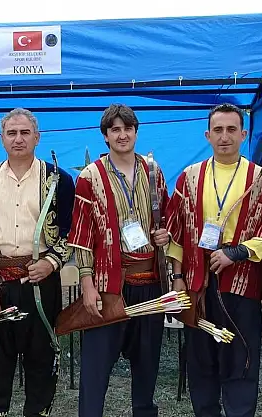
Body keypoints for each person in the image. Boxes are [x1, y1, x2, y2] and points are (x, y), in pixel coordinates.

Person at [165, 103, 262, 417]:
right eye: (218, 130)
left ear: (244, 134)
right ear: (207, 135)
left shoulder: (261, 179)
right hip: (197, 284)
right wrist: (178, 278)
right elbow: (176, 231)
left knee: (240, 358)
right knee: (200, 360)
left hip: (242, 285)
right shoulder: (189, 177)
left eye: (232, 129)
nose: (224, 136)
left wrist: (238, 252)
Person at [0, 108, 74, 417]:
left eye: (25, 132)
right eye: (11, 133)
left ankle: (37, 411)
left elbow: (71, 230)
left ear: (37, 137)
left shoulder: (58, 179)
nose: (18, 139)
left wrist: (51, 262)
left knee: (41, 353)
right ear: (1, 139)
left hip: (41, 278)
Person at [67, 104, 171, 417]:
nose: (122, 135)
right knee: (96, 368)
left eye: (127, 128)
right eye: (115, 129)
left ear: (136, 132)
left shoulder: (153, 171)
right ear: (105, 136)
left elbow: (166, 217)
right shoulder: (90, 176)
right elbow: (82, 235)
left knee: (147, 365)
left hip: (150, 284)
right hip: (108, 285)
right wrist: (87, 284)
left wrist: (164, 233)